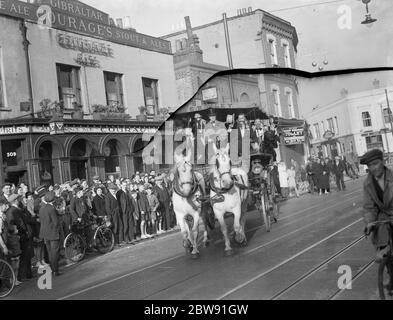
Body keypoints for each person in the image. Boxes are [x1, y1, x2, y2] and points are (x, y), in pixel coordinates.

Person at [362, 149, 393, 262]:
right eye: (370, 165)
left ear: (383, 161)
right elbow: (369, 207)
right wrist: (369, 222)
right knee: (381, 241)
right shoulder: (368, 183)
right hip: (384, 217)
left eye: (376, 163)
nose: (373, 168)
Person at [39, 192, 61, 276]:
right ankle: (55, 270)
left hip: (45, 233)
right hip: (53, 232)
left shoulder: (42, 208)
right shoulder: (51, 208)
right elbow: (55, 222)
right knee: (54, 252)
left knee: (49, 251)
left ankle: (52, 269)